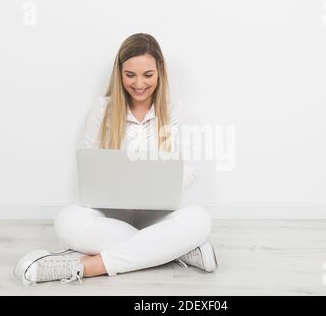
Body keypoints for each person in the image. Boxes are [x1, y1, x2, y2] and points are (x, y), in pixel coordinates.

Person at [14, 33, 218, 285]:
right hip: (110, 214)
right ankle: (175, 251)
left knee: (199, 219)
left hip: (161, 212)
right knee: (67, 221)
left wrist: (152, 191)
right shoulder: (103, 109)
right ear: (119, 73)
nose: (139, 84)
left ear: (160, 72)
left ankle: (86, 267)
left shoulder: (177, 111)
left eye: (148, 75)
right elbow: (92, 166)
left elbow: (191, 170)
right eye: (130, 75)